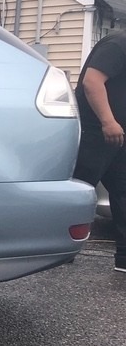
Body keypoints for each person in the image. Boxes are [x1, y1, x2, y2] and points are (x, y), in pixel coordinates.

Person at [73, 29, 126, 272]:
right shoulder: (118, 44)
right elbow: (92, 82)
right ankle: (57, 250)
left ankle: (124, 259)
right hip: (96, 132)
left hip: (118, 135)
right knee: (79, 190)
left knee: (124, 192)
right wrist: (108, 121)